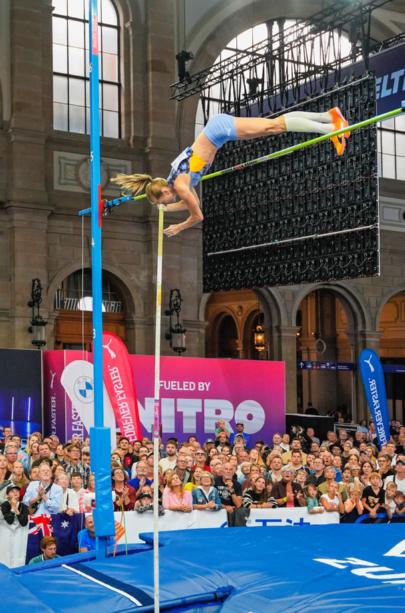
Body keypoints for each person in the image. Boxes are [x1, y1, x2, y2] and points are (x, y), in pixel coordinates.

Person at [111, 109, 349, 237]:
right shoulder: (177, 181)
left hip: (219, 130)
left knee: (273, 126)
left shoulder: (181, 186)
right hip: (219, 132)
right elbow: (191, 203)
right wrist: (166, 209)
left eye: (162, 201)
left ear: (164, 191)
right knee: (274, 126)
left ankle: (331, 129)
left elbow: (197, 215)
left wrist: (179, 227)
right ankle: (329, 117)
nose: (167, 202)